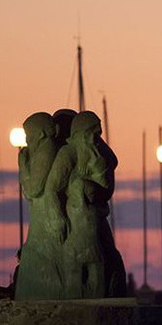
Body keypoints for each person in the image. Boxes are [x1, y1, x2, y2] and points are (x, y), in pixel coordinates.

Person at [45, 111, 127, 298]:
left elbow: (109, 179)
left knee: (109, 258)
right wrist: (57, 218)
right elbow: (52, 188)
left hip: (96, 217)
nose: (94, 139)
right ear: (79, 134)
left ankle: (111, 293)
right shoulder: (69, 153)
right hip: (75, 219)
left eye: (98, 135)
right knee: (80, 262)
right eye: (90, 134)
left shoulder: (98, 153)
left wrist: (99, 168)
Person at [14, 112, 64, 300]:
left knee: (36, 257)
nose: (27, 142)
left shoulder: (46, 151)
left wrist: (23, 165)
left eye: (29, 137)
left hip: (46, 219)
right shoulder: (44, 150)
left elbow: (33, 189)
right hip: (43, 217)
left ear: (41, 134)